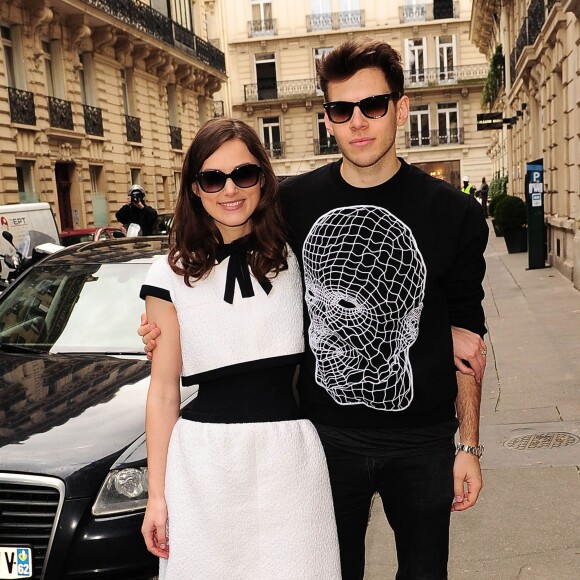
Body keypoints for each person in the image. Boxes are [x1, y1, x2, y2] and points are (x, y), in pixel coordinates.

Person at [140, 38, 488, 580]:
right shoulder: (294, 207)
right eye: (342, 110)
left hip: (422, 440)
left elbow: (469, 341)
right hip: (323, 439)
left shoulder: (455, 214)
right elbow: (224, 232)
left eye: (373, 105)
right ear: (327, 119)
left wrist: (467, 444)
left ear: (401, 107)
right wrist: (162, 314)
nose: (359, 122)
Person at [139, 118, 341, 579]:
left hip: (289, 462)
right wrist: (157, 497)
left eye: (244, 175)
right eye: (213, 178)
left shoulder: (297, 258)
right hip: (204, 465)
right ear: (194, 187)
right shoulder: (168, 274)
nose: (229, 189)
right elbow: (165, 393)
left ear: (264, 181)